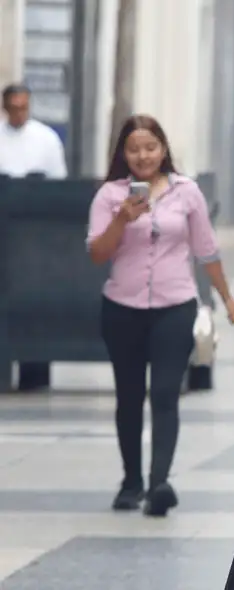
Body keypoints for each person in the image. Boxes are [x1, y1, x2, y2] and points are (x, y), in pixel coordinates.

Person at [86, 115, 234, 516]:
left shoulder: (186, 192)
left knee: (163, 394)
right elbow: (97, 253)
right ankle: (131, 482)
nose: (143, 156)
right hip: (122, 308)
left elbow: (207, 250)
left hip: (175, 307)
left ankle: (159, 483)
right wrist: (123, 218)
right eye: (134, 149)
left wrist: (228, 299)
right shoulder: (109, 195)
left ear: (163, 149)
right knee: (128, 397)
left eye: (150, 147)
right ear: (123, 153)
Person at [0, 83, 69, 391]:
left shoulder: (46, 139)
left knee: (36, 302)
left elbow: (59, 185)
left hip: (36, 239)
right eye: (13, 108)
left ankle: (35, 372)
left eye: (23, 108)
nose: (18, 114)